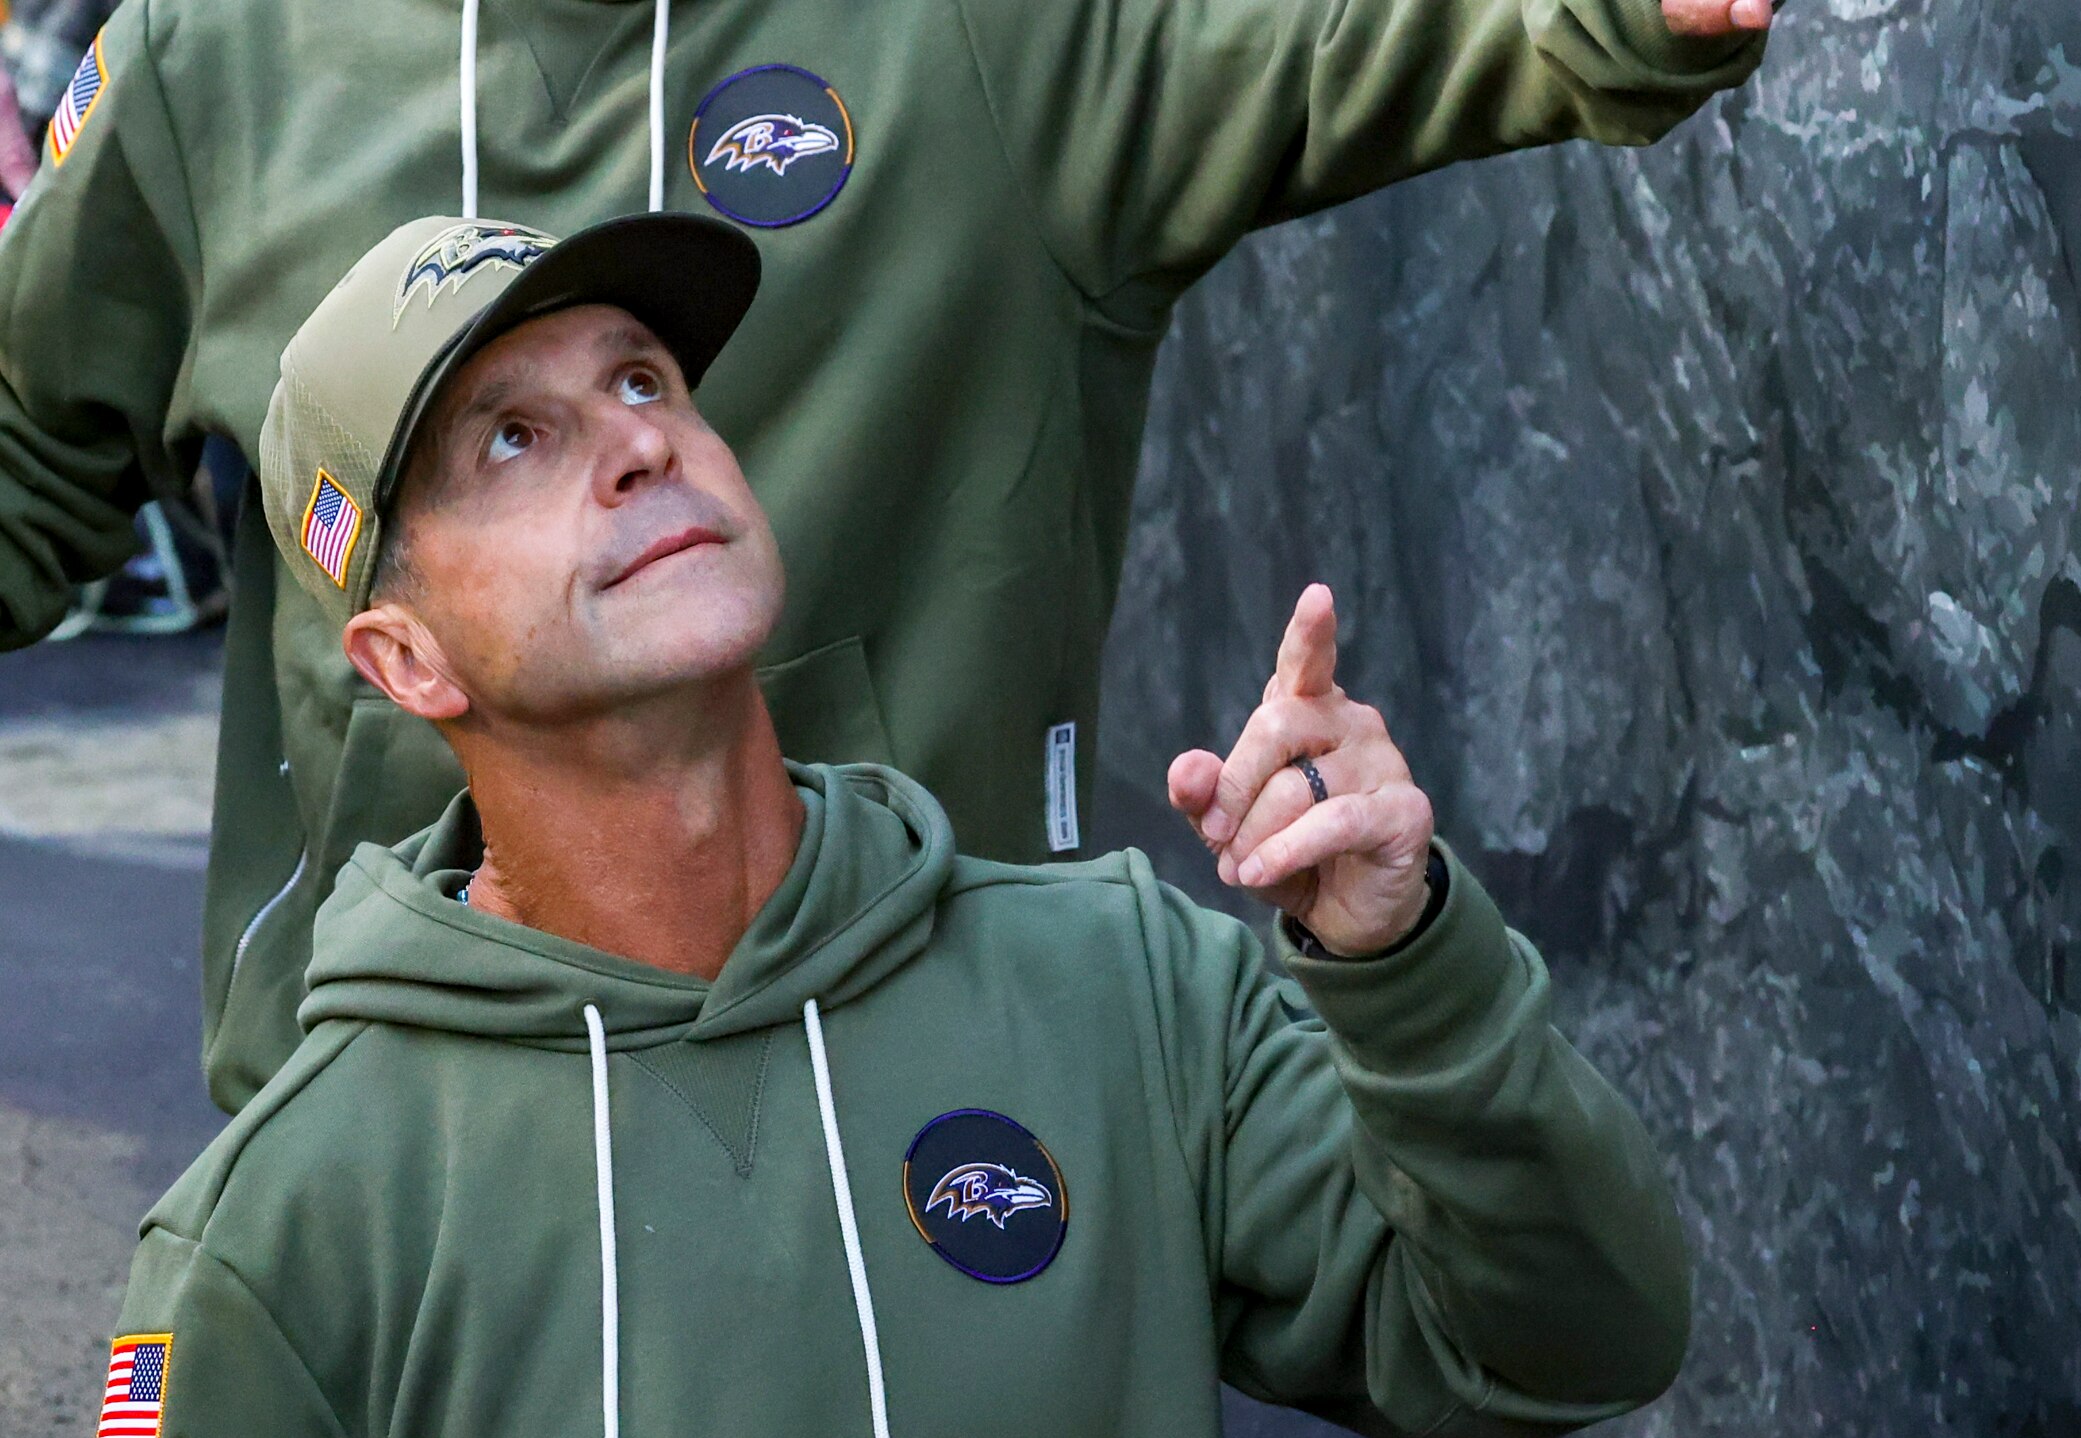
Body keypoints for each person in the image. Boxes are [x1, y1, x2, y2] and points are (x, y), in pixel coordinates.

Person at [48, 211, 1688, 1438]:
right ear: (406, 662)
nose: (637, 442)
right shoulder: (288, 1226)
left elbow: (1573, 1338)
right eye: (511, 439)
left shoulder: (1118, 988)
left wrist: (1402, 957)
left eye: (646, 379)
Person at [0, 0, 1773, 1114]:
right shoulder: (206, 55)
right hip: (381, 1124)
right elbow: (27, 450)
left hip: (939, 1135)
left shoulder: (992, 34)